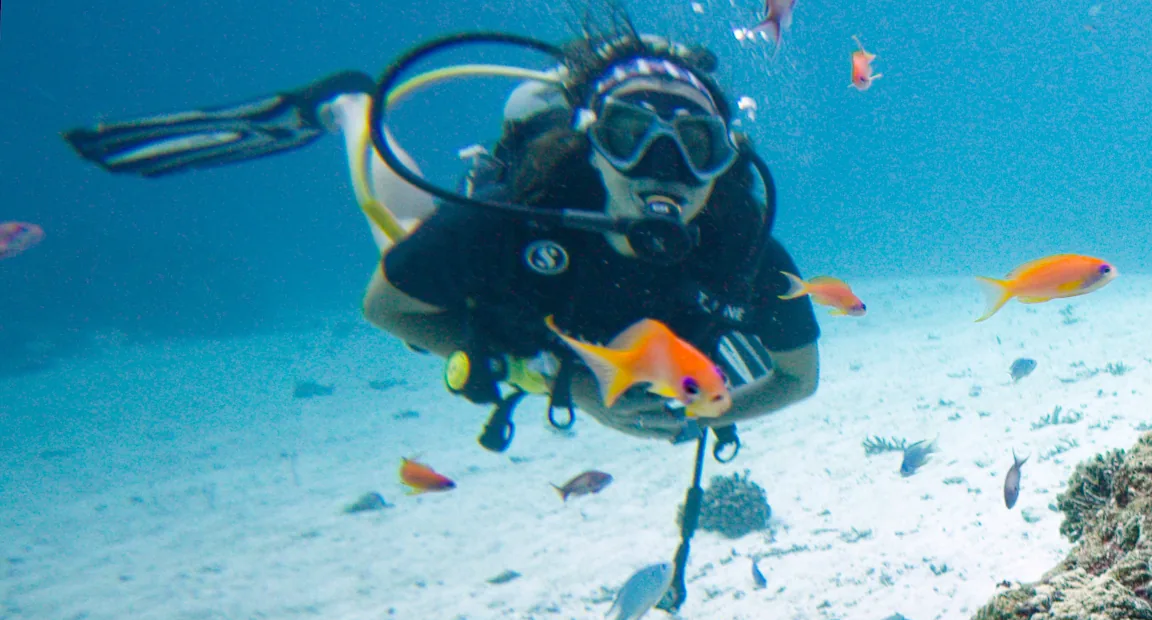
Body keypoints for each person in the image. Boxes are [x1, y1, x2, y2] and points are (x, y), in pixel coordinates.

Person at [66, 21, 819, 446]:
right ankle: (351, 109)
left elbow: (798, 378)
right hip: (525, 303)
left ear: (726, 162)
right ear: (590, 142)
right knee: (402, 226)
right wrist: (577, 390)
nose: (665, 171)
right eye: (629, 135)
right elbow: (386, 307)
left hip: (599, 338)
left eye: (696, 146)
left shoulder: (744, 246)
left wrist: (716, 409)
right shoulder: (522, 210)